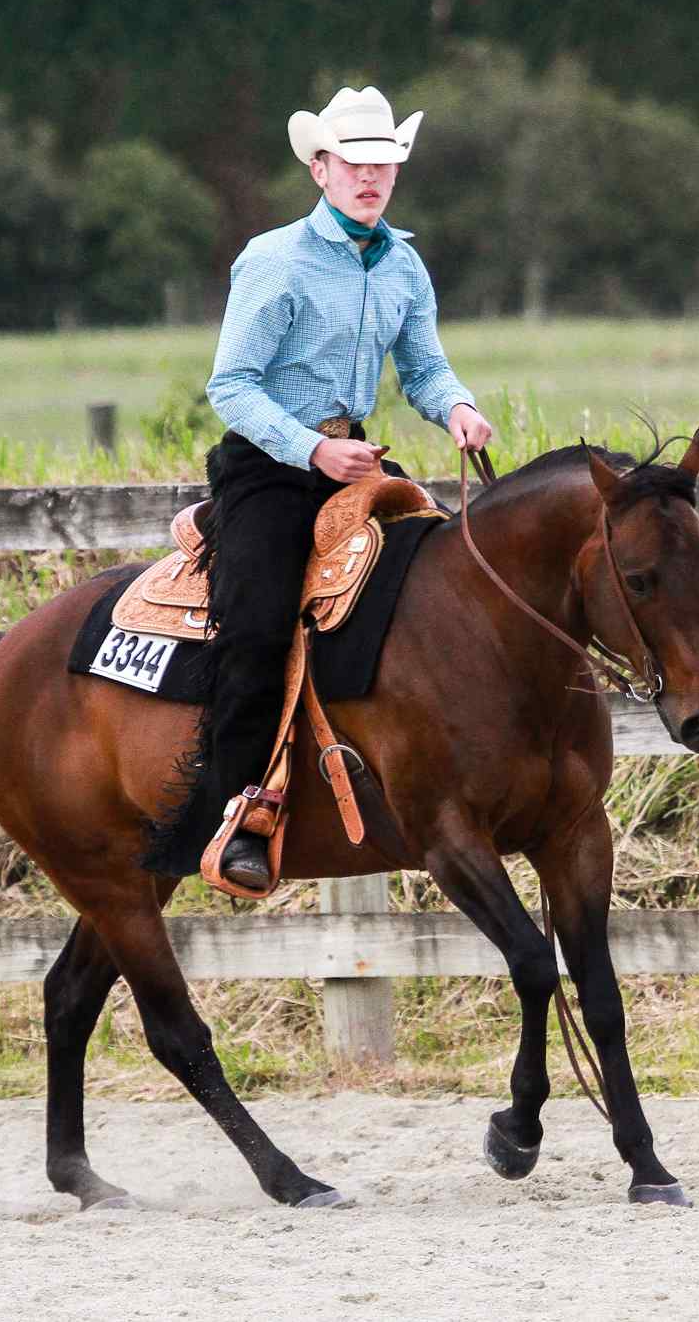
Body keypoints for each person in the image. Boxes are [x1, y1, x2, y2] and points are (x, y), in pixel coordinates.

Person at [144, 85, 493, 893]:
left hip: (357, 461)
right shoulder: (276, 260)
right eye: (355, 163)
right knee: (259, 624)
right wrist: (311, 450)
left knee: (436, 585)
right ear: (321, 168)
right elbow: (232, 385)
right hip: (270, 467)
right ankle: (241, 809)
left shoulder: (402, 264)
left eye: (384, 164)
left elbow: (425, 367)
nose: (371, 177)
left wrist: (457, 407)